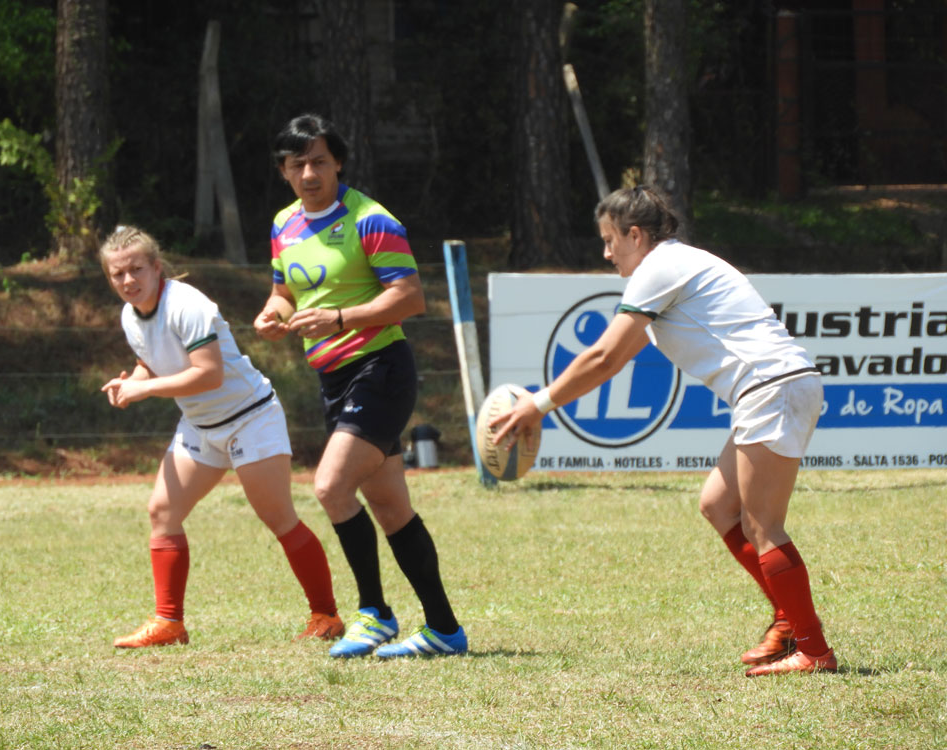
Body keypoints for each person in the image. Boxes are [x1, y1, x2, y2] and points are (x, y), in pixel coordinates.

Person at [492, 186, 837, 677]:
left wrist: (539, 403)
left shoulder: (659, 267)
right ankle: (789, 621)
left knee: (763, 526)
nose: (606, 253)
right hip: (773, 388)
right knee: (718, 504)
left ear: (636, 235)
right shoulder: (669, 270)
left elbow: (603, 357)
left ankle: (814, 650)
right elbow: (615, 357)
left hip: (772, 388)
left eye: (610, 240)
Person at [254, 114, 466, 659]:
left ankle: (374, 613)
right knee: (390, 507)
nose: (309, 173)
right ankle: (444, 630)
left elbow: (410, 298)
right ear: (283, 170)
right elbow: (284, 291)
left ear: (339, 163)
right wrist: (273, 314)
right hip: (333, 378)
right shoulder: (283, 225)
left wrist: (341, 318)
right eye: (297, 164)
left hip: (380, 370)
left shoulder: (371, 220)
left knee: (330, 487)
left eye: (319, 161)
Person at [99, 225, 343, 648]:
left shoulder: (186, 304)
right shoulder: (130, 314)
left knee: (278, 518)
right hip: (201, 425)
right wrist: (131, 384)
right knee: (162, 512)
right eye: (117, 274)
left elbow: (209, 374)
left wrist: (146, 389)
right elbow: (149, 364)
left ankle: (326, 615)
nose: (128, 280)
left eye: (136, 269)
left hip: (251, 417)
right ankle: (169, 624)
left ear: (156, 267)